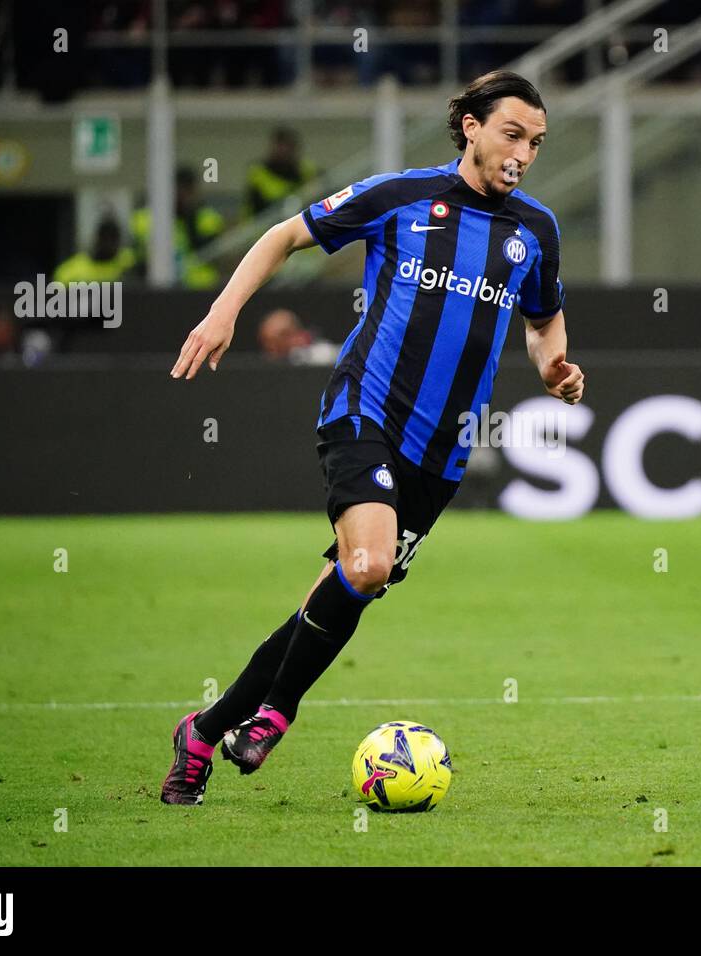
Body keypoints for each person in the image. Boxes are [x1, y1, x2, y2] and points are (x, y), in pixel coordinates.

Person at [161, 69, 584, 805]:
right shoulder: (401, 197)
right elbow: (284, 235)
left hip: (443, 451)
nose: (523, 152)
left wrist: (554, 368)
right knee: (368, 565)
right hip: (365, 413)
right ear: (472, 127)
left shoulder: (535, 231)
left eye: (538, 143)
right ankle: (277, 713)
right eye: (512, 133)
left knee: (345, 587)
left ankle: (203, 732)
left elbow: (543, 318)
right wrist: (223, 312)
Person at [130, 167, 225, 289]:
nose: (181, 197)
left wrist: (189, 217)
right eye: (178, 191)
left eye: (187, 191)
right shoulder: (144, 219)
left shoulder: (208, 218)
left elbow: (211, 255)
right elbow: (135, 258)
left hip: (200, 289)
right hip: (155, 288)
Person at [243, 127, 319, 219]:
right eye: (280, 146)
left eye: (287, 146)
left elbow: (312, 197)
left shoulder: (306, 171)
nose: (283, 151)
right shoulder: (258, 172)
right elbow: (252, 206)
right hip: (264, 224)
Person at [53, 218, 137, 284]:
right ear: (96, 239)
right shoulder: (71, 270)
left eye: (113, 239)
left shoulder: (127, 263)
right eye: (105, 239)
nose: (108, 244)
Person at [257, 308, 339, 365]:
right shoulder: (260, 368)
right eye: (266, 341)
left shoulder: (325, 355)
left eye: (277, 341)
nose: (271, 347)